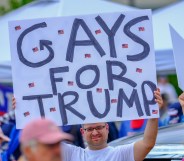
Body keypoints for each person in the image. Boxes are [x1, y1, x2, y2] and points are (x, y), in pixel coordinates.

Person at [61, 88, 163, 161]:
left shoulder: (121, 153)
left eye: (99, 127)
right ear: (82, 132)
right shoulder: (72, 154)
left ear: (107, 128)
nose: (95, 132)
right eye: (90, 129)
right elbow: (45, 142)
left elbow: (147, 144)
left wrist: (153, 115)